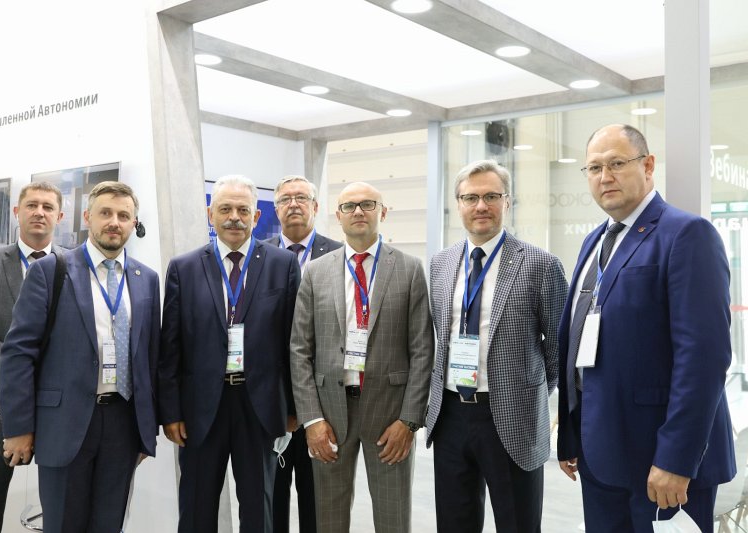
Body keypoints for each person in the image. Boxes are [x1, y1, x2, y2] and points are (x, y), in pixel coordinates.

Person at [557, 124, 736, 532]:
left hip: (663, 465)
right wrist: (571, 434)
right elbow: (578, 342)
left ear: (649, 165)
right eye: (594, 168)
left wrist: (676, 458)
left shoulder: (686, 234)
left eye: (617, 163)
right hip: (600, 456)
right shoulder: (593, 242)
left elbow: (703, 359)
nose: (605, 177)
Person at [0, 181, 161, 533]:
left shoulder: (146, 279)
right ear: (87, 217)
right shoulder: (51, 270)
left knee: (109, 524)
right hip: (66, 423)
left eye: (124, 216)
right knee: (63, 525)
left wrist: (147, 429)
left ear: (134, 223)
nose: (114, 222)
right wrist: (19, 427)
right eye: (105, 213)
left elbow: (150, 358)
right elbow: (18, 353)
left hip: (123, 423)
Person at [425, 160, 567, 532]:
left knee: (518, 524)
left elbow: (557, 348)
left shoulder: (540, 265)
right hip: (450, 415)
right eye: (470, 197)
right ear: (458, 203)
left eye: (491, 196)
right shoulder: (440, 264)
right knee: (454, 524)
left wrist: (528, 394)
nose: (481, 206)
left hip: (512, 417)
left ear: (507, 201)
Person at [290, 181, 434, 533]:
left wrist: (409, 421)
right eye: (349, 206)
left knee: (393, 519)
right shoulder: (316, 272)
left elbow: (422, 351)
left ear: (383, 213)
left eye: (368, 204)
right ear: (337, 216)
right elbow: (299, 350)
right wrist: (311, 420)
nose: (358, 211)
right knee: (329, 519)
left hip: (390, 416)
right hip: (329, 414)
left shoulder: (410, 269)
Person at [159, 174, 300, 532]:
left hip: (260, 407)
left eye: (242, 210)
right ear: (211, 214)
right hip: (200, 408)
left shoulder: (283, 265)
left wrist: (292, 408)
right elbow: (170, 347)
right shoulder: (184, 268)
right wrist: (171, 411)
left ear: (256, 216)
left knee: (259, 509)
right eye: (225, 209)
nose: (234, 217)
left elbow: (293, 342)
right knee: (196, 507)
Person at [0, 182, 64, 533]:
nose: (39, 212)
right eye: (32, 205)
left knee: (64, 505)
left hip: (59, 405)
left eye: (48, 207)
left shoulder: (72, 265)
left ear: (60, 216)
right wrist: (22, 371)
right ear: (17, 212)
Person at [264, 175, 341, 533]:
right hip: (271, 402)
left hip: (324, 404)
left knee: (318, 504)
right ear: (275, 209)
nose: (293, 204)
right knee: (271, 503)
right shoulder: (258, 255)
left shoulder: (340, 255)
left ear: (315, 206)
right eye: (285, 199)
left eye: (301, 198)